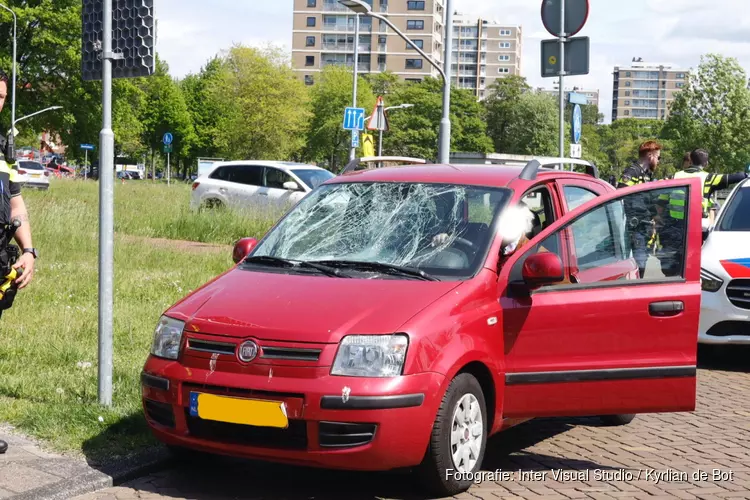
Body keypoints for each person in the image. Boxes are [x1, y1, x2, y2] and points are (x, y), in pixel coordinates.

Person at [0, 69, 37, 455]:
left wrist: (28, 251)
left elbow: (15, 203)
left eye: (2, 96)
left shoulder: (1, 149)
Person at [658, 149, 749, 277]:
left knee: (674, 264)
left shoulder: (675, 176)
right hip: (696, 227)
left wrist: (660, 218)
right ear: (705, 163)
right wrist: (746, 174)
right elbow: (733, 177)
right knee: (693, 263)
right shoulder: (708, 178)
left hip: (675, 226)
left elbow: (661, 200)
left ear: (690, 160)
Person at [616, 141, 662, 278]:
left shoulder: (647, 175)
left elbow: (647, 199)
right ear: (650, 156)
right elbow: (620, 193)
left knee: (643, 258)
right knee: (639, 260)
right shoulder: (633, 172)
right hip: (635, 225)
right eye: (658, 157)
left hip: (645, 224)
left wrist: (656, 216)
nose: (658, 161)